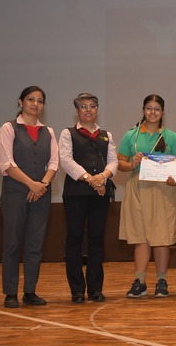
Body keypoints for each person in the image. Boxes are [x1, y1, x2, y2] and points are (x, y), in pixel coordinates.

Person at [0, 86, 58, 308]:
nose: (35, 104)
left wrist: (42, 184)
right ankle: (10, 292)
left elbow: (54, 163)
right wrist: (31, 183)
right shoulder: (8, 128)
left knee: (35, 244)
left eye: (40, 101)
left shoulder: (48, 132)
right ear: (20, 102)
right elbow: (7, 163)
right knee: (12, 243)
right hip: (15, 194)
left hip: (41, 194)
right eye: (30, 99)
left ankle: (30, 291)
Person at [118, 94, 176, 298]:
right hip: (138, 189)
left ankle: (162, 280)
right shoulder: (131, 136)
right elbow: (120, 162)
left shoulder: (172, 137)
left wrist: (175, 177)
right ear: (143, 110)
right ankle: (140, 281)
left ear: (163, 112)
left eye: (157, 109)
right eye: (149, 108)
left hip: (164, 190)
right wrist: (131, 164)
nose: (152, 112)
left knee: (162, 237)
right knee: (140, 237)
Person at [58, 93, 118, 303]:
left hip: (100, 192)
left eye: (92, 106)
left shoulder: (106, 135)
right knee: (74, 239)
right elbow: (65, 160)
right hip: (75, 192)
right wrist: (89, 178)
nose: (88, 110)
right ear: (77, 111)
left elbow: (113, 162)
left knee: (96, 239)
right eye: (83, 106)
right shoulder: (68, 134)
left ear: (97, 110)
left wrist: (103, 177)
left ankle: (95, 289)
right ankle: (76, 290)